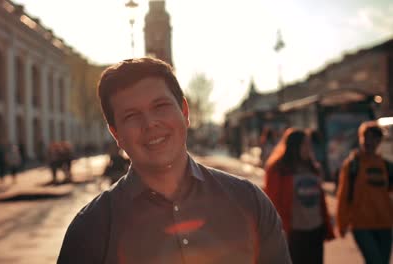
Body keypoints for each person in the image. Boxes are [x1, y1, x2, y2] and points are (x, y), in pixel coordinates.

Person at [58, 57, 291, 264]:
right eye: (131, 115)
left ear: (185, 112)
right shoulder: (89, 230)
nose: (150, 124)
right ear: (116, 134)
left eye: (160, 106)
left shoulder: (250, 202)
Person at [264, 128, 334, 264]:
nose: (309, 148)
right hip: (293, 232)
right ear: (294, 146)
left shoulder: (313, 168)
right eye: (305, 144)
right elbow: (271, 203)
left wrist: (326, 224)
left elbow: (320, 201)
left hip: (315, 230)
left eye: (309, 144)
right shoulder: (278, 170)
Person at [336, 121, 392, 264]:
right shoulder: (352, 165)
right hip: (361, 225)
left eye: (374, 138)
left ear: (379, 141)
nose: (369, 142)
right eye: (366, 137)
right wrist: (341, 223)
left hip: (385, 224)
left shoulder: (385, 166)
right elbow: (343, 195)